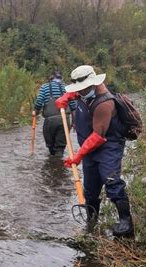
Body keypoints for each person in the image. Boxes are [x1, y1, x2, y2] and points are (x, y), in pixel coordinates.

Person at [55, 65, 133, 237]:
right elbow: (76, 92)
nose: (80, 92)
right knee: (90, 189)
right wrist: (65, 97)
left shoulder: (104, 103)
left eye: (82, 89)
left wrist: (77, 156)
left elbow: (98, 136)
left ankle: (126, 223)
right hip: (89, 148)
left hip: (108, 146)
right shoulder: (84, 91)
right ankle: (91, 223)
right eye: (78, 90)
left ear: (93, 84)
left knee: (111, 181)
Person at [33, 70, 76, 156]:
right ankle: (59, 165)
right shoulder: (67, 88)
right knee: (60, 147)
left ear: (51, 78)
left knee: (51, 147)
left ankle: (52, 165)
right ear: (61, 78)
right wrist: (74, 122)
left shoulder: (44, 87)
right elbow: (73, 107)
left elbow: (38, 102)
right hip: (65, 120)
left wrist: (35, 112)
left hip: (50, 121)